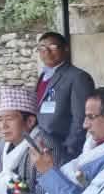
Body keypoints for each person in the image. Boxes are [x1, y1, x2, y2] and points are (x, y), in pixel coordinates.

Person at [34, 31, 95, 163]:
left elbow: (81, 117)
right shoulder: (43, 76)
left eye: (53, 47)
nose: (47, 52)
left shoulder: (78, 77)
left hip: (63, 148)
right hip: (42, 147)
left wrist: (70, 149)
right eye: (42, 48)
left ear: (66, 49)